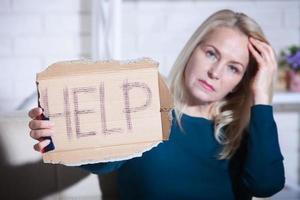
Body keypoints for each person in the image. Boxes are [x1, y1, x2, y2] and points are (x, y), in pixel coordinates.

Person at [28, 9, 285, 200]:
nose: (215, 72)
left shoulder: (244, 134)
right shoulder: (143, 109)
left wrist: (261, 94)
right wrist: (57, 133)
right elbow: (101, 162)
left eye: (233, 68)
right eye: (211, 53)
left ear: (242, 81)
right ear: (192, 49)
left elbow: (265, 186)